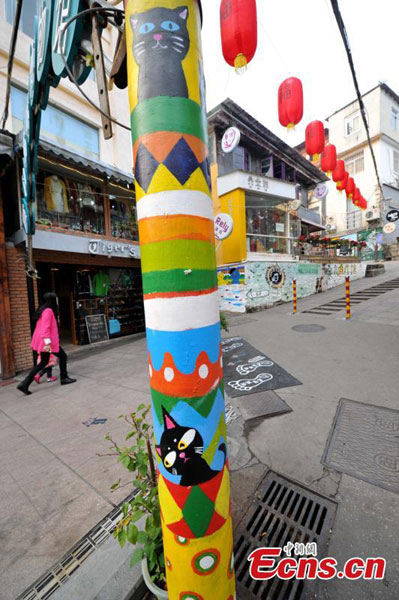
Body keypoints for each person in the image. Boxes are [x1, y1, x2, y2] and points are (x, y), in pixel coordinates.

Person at [17, 292, 76, 396]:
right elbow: (45, 329)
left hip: (44, 341)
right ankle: (64, 378)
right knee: (63, 357)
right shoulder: (48, 311)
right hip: (48, 342)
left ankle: (25, 383)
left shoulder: (42, 310)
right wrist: (48, 343)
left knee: (43, 362)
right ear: (53, 301)